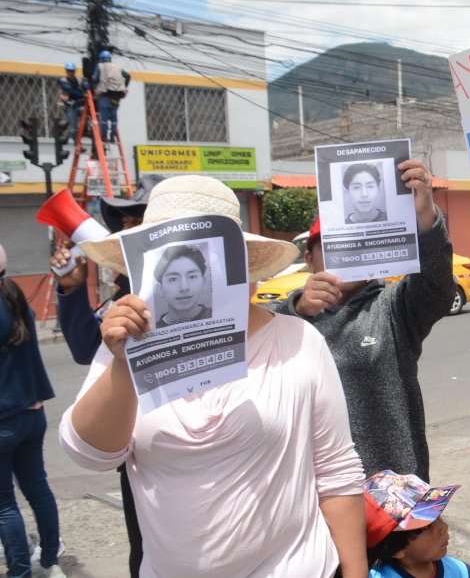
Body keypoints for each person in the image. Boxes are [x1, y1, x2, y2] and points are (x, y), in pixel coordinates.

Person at [60, 175, 368, 577]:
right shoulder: (126, 346)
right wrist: (124, 364)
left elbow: (337, 471)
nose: (186, 287)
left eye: (201, 268)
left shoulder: (297, 341)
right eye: (171, 272)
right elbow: (91, 454)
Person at [269, 159, 453, 480]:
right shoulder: (290, 321)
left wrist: (426, 218)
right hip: (318, 492)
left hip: (393, 493)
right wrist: (297, 311)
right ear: (309, 260)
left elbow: (435, 285)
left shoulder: (393, 306)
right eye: (331, 247)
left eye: (354, 245)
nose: (345, 256)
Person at [50, 174, 162, 577]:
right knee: (146, 554)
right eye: (127, 223)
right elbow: (85, 347)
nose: (131, 229)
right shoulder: (123, 297)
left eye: (141, 219)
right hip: (140, 458)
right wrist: (72, 291)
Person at [0, 245, 66, 578]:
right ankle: (51, 561)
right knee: (38, 489)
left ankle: (20, 572)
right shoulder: (14, 298)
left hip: (4, 420)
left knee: (4, 505)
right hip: (32, 411)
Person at [363, 470, 470, 578]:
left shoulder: (460, 572)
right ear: (396, 550)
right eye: (428, 526)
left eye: (438, 515)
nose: (443, 527)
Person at [152, 245, 211, 327]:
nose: (184, 288)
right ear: (160, 289)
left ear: (203, 282)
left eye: (192, 277)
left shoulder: (222, 314)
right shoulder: (149, 332)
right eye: (173, 279)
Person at [90, 50, 130, 142]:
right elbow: (128, 76)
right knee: (113, 117)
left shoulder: (100, 66)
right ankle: (113, 136)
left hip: (105, 95)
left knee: (104, 117)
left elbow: (95, 79)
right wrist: (124, 86)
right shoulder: (118, 68)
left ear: (101, 59)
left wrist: (92, 85)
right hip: (116, 96)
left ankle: (104, 135)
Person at [58, 61, 87, 132]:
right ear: (66, 71)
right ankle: (71, 135)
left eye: (72, 71)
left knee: (87, 115)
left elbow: (86, 88)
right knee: (71, 122)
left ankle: (85, 129)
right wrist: (82, 95)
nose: (70, 73)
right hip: (70, 104)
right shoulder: (63, 81)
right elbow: (69, 90)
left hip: (80, 104)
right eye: (69, 71)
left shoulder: (79, 81)